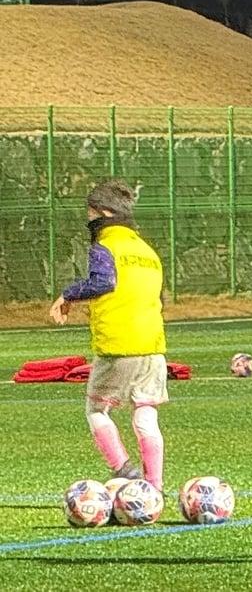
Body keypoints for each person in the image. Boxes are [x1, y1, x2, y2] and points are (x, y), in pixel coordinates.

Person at [49, 180, 168, 492]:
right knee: (146, 414)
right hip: (153, 346)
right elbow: (159, 299)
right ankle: (154, 487)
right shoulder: (147, 251)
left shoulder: (105, 246)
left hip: (118, 344)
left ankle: (124, 471)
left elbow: (103, 282)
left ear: (103, 213)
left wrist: (68, 294)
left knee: (96, 410)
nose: (88, 220)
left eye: (90, 214)